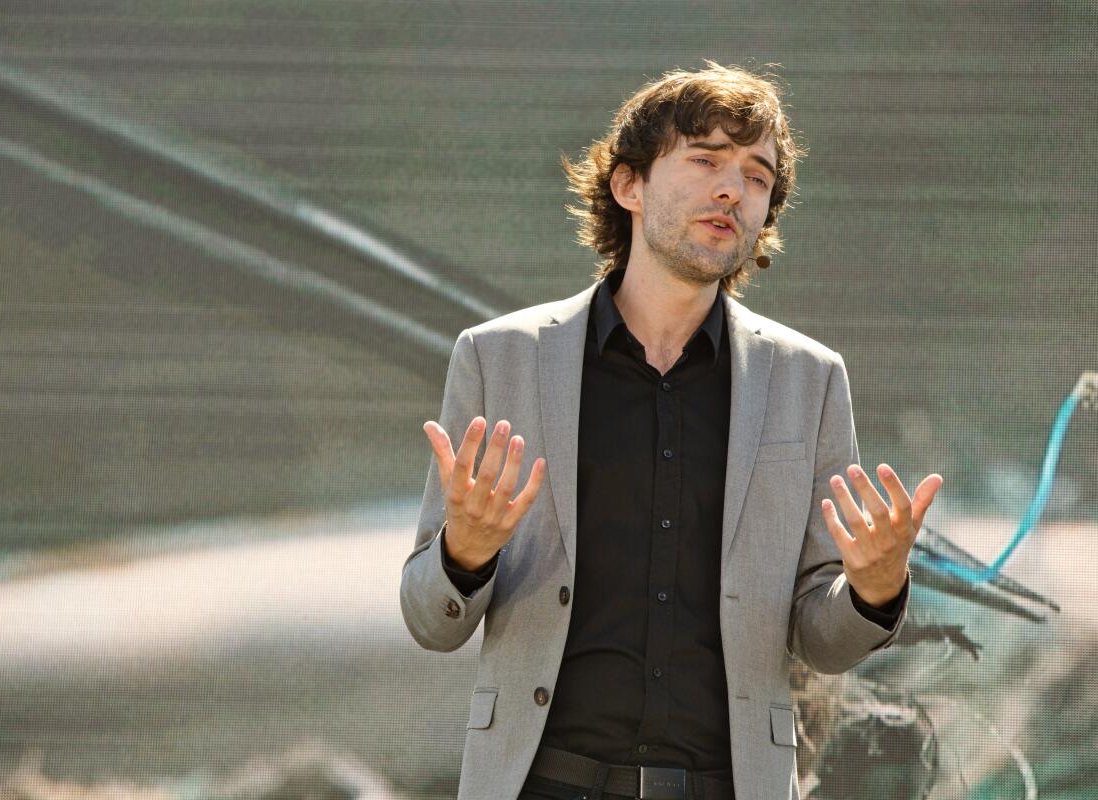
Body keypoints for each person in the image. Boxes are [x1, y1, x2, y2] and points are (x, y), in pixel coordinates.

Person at [400, 62, 943, 800]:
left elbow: (821, 639)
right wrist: (464, 552)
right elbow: (432, 622)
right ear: (628, 186)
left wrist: (874, 591)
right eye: (707, 161)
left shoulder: (809, 379)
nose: (733, 190)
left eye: (758, 176)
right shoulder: (500, 359)